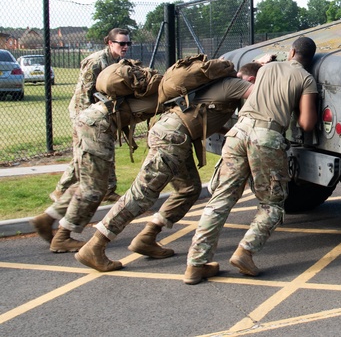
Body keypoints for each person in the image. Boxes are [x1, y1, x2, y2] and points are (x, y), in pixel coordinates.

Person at [75, 69, 254, 272]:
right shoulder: (236, 84)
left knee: (189, 189)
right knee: (142, 193)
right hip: (172, 139)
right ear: (250, 78)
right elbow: (261, 93)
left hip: (176, 137)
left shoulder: (220, 86)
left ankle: (148, 236)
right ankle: (95, 246)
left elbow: (204, 117)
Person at [184, 37, 317, 285]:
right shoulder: (307, 79)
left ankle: (195, 264)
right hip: (265, 138)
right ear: (309, 59)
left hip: (237, 133)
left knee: (221, 199)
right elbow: (307, 123)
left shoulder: (266, 69)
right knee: (272, 204)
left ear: (291, 52)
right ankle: (245, 252)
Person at [32, 85, 160, 253]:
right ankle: (62, 237)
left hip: (88, 118)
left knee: (88, 182)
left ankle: (48, 218)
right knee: (95, 188)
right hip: (98, 126)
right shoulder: (169, 92)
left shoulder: (156, 86)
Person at [48, 28, 132, 204]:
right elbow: (85, 94)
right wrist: (88, 119)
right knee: (84, 151)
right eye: (121, 43)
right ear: (110, 43)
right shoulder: (95, 62)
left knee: (107, 146)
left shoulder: (119, 61)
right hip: (84, 112)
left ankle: (109, 190)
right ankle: (60, 190)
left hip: (102, 111)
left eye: (127, 43)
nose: (125, 47)